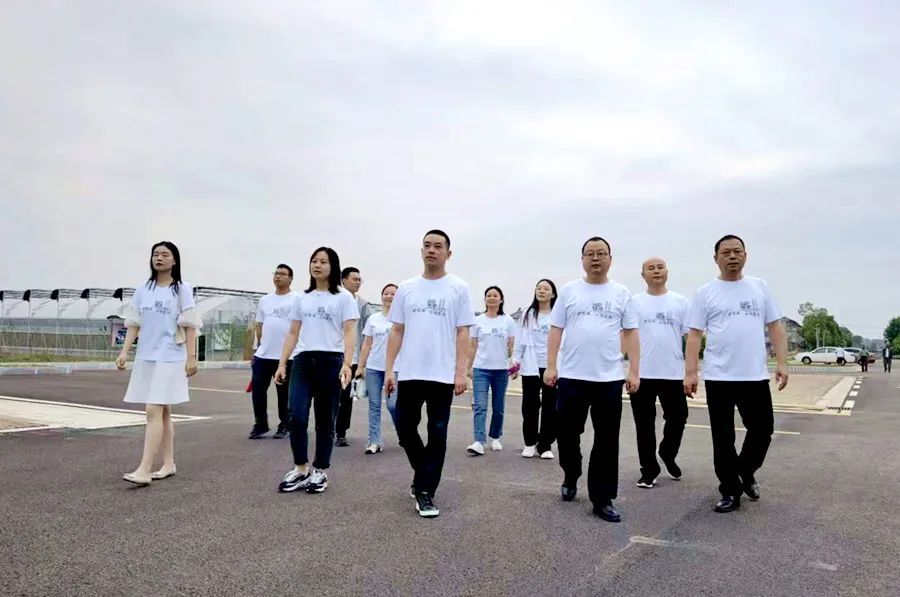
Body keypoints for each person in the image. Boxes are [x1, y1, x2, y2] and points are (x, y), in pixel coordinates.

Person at [684, 234, 789, 514]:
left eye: (737, 251)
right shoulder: (706, 292)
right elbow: (694, 335)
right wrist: (691, 372)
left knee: (763, 430)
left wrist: (782, 363)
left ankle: (745, 471)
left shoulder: (759, 287)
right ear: (716, 258)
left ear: (745, 255)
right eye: (726, 252)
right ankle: (730, 490)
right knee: (723, 437)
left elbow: (776, 327)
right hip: (719, 376)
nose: (732, 256)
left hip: (754, 375)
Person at [544, 237, 640, 523]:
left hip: (608, 379)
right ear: (582, 259)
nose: (595, 258)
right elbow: (556, 329)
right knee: (567, 433)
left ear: (610, 258)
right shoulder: (570, 291)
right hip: (572, 376)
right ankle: (571, 472)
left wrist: (634, 370)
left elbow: (631, 333)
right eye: (590, 254)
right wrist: (551, 366)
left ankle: (602, 498)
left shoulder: (621, 293)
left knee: (606, 440)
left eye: (601, 253)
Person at [385, 230, 475, 518]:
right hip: (410, 372)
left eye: (438, 246)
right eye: (427, 245)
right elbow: (396, 330)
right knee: (405, 427)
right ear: (421, 250)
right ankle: (423, 471)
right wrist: (389, 369)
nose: (431, 250)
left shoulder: (458, 288)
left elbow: (463, 332)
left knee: (437, 433)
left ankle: (425, 491)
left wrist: (461, 372)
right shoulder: (407, 288)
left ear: (448, 253)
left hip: (442, 374)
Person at [274, 248, 359, 494]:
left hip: (331, 361)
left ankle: (320, 470)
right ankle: (300, 468)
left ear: (333, 266)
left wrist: (347, 363)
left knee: (325, 420)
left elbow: (350, 332)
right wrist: (282, 363)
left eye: (323, 261)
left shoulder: (344, 297)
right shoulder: (302, 297)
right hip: (303, 361)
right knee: (297, 415)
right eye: (314, 261)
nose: (317, 265)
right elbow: (293, 332)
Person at [116, 241, 201, 486]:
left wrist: (191, 357)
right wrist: (124, 352)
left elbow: (190, 324)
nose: (159, 258)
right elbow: (134, 322)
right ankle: (168, 464)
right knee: (163, 413)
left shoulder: (182, 289)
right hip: (146, 355)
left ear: (175, 260)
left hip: (171, 357)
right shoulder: (143, 289)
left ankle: (144, 469)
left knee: (152, 409)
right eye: (156, 254)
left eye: (165, 254)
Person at [629, 258, 690, 488]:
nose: (656, 271)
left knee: (678, 417)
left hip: (672, 372)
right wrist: (629, 370)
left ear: (667, 272)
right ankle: (649, 469)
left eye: (660, 267)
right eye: (650, 268)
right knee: (644, 424)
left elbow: (690, 337)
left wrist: (691, 372)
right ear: (643, 274)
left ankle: (667, 452)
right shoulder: (634, 302)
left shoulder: (680, 302)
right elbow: (626, 336)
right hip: (641, 373)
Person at [248, 264, 298, 440]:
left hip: (287, 356)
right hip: (263, 355)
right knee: (258, 391)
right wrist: (258, 348)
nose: (278, 276)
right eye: (276, 273)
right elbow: (259, 324)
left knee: (284, 393)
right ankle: (260, 424)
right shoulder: (265, 300)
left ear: (290, 278)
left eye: (282, 274)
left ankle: (285, 424)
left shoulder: (296, 299)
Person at [466, 286, 517, 456]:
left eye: (495, 295)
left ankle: (495, 436)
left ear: (501, 300)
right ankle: (478, 441)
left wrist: (513, 364)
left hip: (501, 370)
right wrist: (468, 367)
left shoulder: (507, 320)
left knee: (498, 406)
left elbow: (511, 346)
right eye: (489, 295)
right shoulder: (477, 321)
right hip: (481, 369)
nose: (492, 298)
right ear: (485, 299)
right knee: (480, 406)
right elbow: (472, 346)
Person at [356, 283, 400, 454]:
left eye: (393, 294)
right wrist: (361, 366)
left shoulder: (402, 319)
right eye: (386, 293)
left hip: (395, 368)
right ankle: (374, 441)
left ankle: (403, 432)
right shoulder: (373, 318)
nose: (389, 296)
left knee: (393, 405)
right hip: (374, 367)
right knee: (374, 405)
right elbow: (367, 344)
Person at [516, 279, 558, 459]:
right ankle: (530, 443)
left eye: (546, 289)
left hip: (552, 366)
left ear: (553, 294)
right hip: (531, 366)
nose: (541, 291)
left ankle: (545, 445)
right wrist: (515, 360)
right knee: (530, 405)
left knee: (551, 406)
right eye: (538, 288)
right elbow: (519, 339)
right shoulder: (528, 313)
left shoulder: (558, 313)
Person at [335, 267, 375, 447]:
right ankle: (327, 428)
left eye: (360, 280)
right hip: (332, 356)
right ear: (343, 280)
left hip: (351, 359)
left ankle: (340, 432)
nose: (358, 282)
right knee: (328, 396)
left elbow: (369, 333)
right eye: (354, 279)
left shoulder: (363, 305)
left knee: (345, 397)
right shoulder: (333, 299)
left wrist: (363, 363)